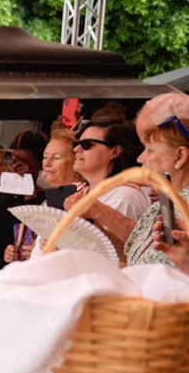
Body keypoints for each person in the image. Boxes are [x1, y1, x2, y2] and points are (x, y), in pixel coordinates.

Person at [123, 93, 189, 268]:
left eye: (150, 149)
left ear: (180, 156)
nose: (140, 158)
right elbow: (134, 265)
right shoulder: (161, 205)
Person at [67, 113, 149, 252]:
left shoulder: (124, 196)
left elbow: (111, 254)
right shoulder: (77, 192)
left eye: (86, 144)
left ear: (115, 152)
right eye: (77, 144)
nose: (76, 149)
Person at [39, 126, 80, 210]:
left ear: (77, 161)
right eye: (45, 157)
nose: (47, 163)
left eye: (56, 157)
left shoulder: (85, 198)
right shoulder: (50, 197)